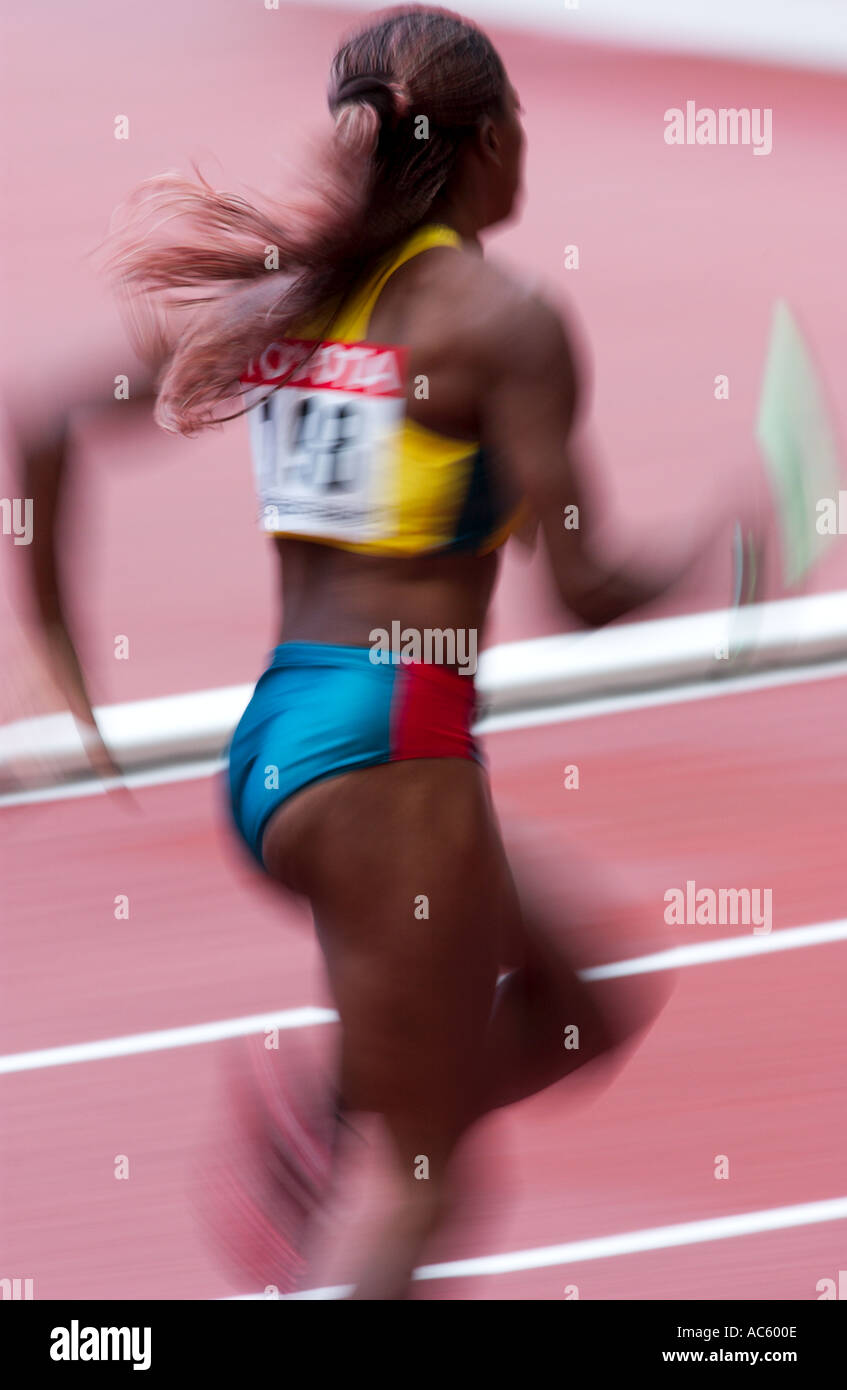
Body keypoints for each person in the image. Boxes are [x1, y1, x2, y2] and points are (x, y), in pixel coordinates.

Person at [14, 5, 719, 1299]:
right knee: (428, 1185)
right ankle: (371, 1126)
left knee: (578, 1000)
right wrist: (728, 554)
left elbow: (39, 423)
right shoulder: (503, 321)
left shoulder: (293, 295)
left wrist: (64, 662)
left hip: (286, 743)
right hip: (395, 755)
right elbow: (588, 589)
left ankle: (346, 1097)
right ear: (494, 140)